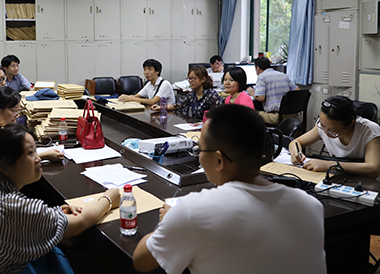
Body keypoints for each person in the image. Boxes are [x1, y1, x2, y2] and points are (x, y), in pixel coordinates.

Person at [132, 104, 326, 274]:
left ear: (219, 160)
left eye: (200, 150)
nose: (199, 157)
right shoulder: (311, 206)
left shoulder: (193, 211)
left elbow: (141, 261)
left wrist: (170, 220)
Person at [0, 120, 120, 274]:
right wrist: (109, 198)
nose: (38, 158)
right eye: (30, 153)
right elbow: (79, 222)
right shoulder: (9, 207)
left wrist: (48, 215)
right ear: (4, 166)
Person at [290, 96, 380, 182]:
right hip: (343, 176)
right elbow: (296, 142)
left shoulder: (369, 130)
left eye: (333, 130)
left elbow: (373, 170)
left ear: (350, 123)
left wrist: (331, 165)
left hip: (372, 182)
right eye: (322, 125)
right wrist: (296, 153)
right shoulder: (324, 127)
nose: (326, 132)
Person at [151, 65, 221, 120]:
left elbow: (217, 117)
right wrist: (161, 107)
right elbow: (178, 105)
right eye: (189, 78)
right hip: (195, 125)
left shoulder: (211, 95)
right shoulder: (193, 94)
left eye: (193, 78)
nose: (190, 81)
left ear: (203, 79)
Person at [247, 57, 299, 125]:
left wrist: (251, 92)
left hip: (275, 117)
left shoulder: (262, 76)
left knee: (250, 113)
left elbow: (260, 98)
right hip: (291, 116)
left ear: (258, 68)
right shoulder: (283, 75)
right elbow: (297, 91)